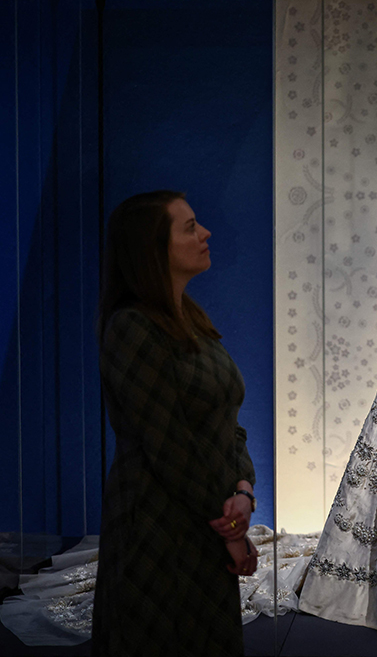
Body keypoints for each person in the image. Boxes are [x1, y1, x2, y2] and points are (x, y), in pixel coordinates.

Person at [92, 191, 258, 656]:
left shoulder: (192, 320)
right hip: (156, 528)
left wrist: (244, 489)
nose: (205, 233)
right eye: (189, 228)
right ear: (152, 248)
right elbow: (168, 445)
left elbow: (227, 420)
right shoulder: (131, 328)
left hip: (206, 521)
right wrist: (230, 527)